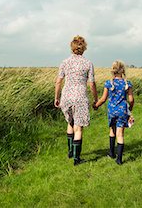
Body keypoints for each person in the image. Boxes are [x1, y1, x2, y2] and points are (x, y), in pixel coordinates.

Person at [54, 35, 98, 166]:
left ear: (72, 47)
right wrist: (95, 99)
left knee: (70, 123)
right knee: (78, 128)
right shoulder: (88, 63)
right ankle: (76, 159)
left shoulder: (64, 62)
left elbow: (58, 82)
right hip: (80, 97)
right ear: (84, 48)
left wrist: (56, 97)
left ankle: (70, 151)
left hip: (66, 96)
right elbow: (92, 84)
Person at [94, 60, 134, 165]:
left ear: (113, 71)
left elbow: (103, 99)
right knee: (120, 134)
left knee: (112, 131)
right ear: (123, 70)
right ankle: (119, 159)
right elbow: (131, 100)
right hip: (122, 111)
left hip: (111, 111)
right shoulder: (127, 83)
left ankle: (111, 153)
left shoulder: (109, 83)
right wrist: (131, 108)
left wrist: (96, 105)